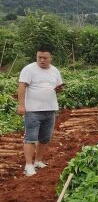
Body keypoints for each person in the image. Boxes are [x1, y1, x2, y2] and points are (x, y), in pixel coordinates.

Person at [17, 49, 64, 177]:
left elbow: (59, 87)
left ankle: (38, 161)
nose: (42, 60)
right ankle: (28, 165)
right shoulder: (29, 69)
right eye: (39, 57)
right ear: (36, 56)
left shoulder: (55, 70)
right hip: (33, 110)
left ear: (51, 58)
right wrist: (21, 105)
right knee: (30, 138)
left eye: (45, 58)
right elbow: (21, 87)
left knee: (45, 138)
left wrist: (59, 89)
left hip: (50, 109)